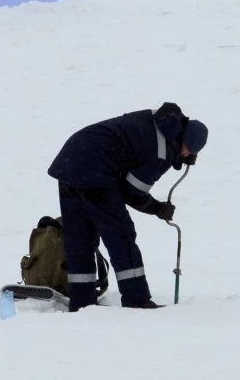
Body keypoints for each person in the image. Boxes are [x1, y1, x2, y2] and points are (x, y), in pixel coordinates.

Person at [47, 102, 208, 311]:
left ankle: (82, 302)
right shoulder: (161, 152)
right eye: (187, 150)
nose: (186, 155)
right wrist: (158, 209)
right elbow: (133, 193)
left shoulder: (160, 121)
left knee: (80, 237)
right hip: (95, 169)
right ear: (182, 140)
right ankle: (136, 299)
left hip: (70, 161)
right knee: (120, 235)